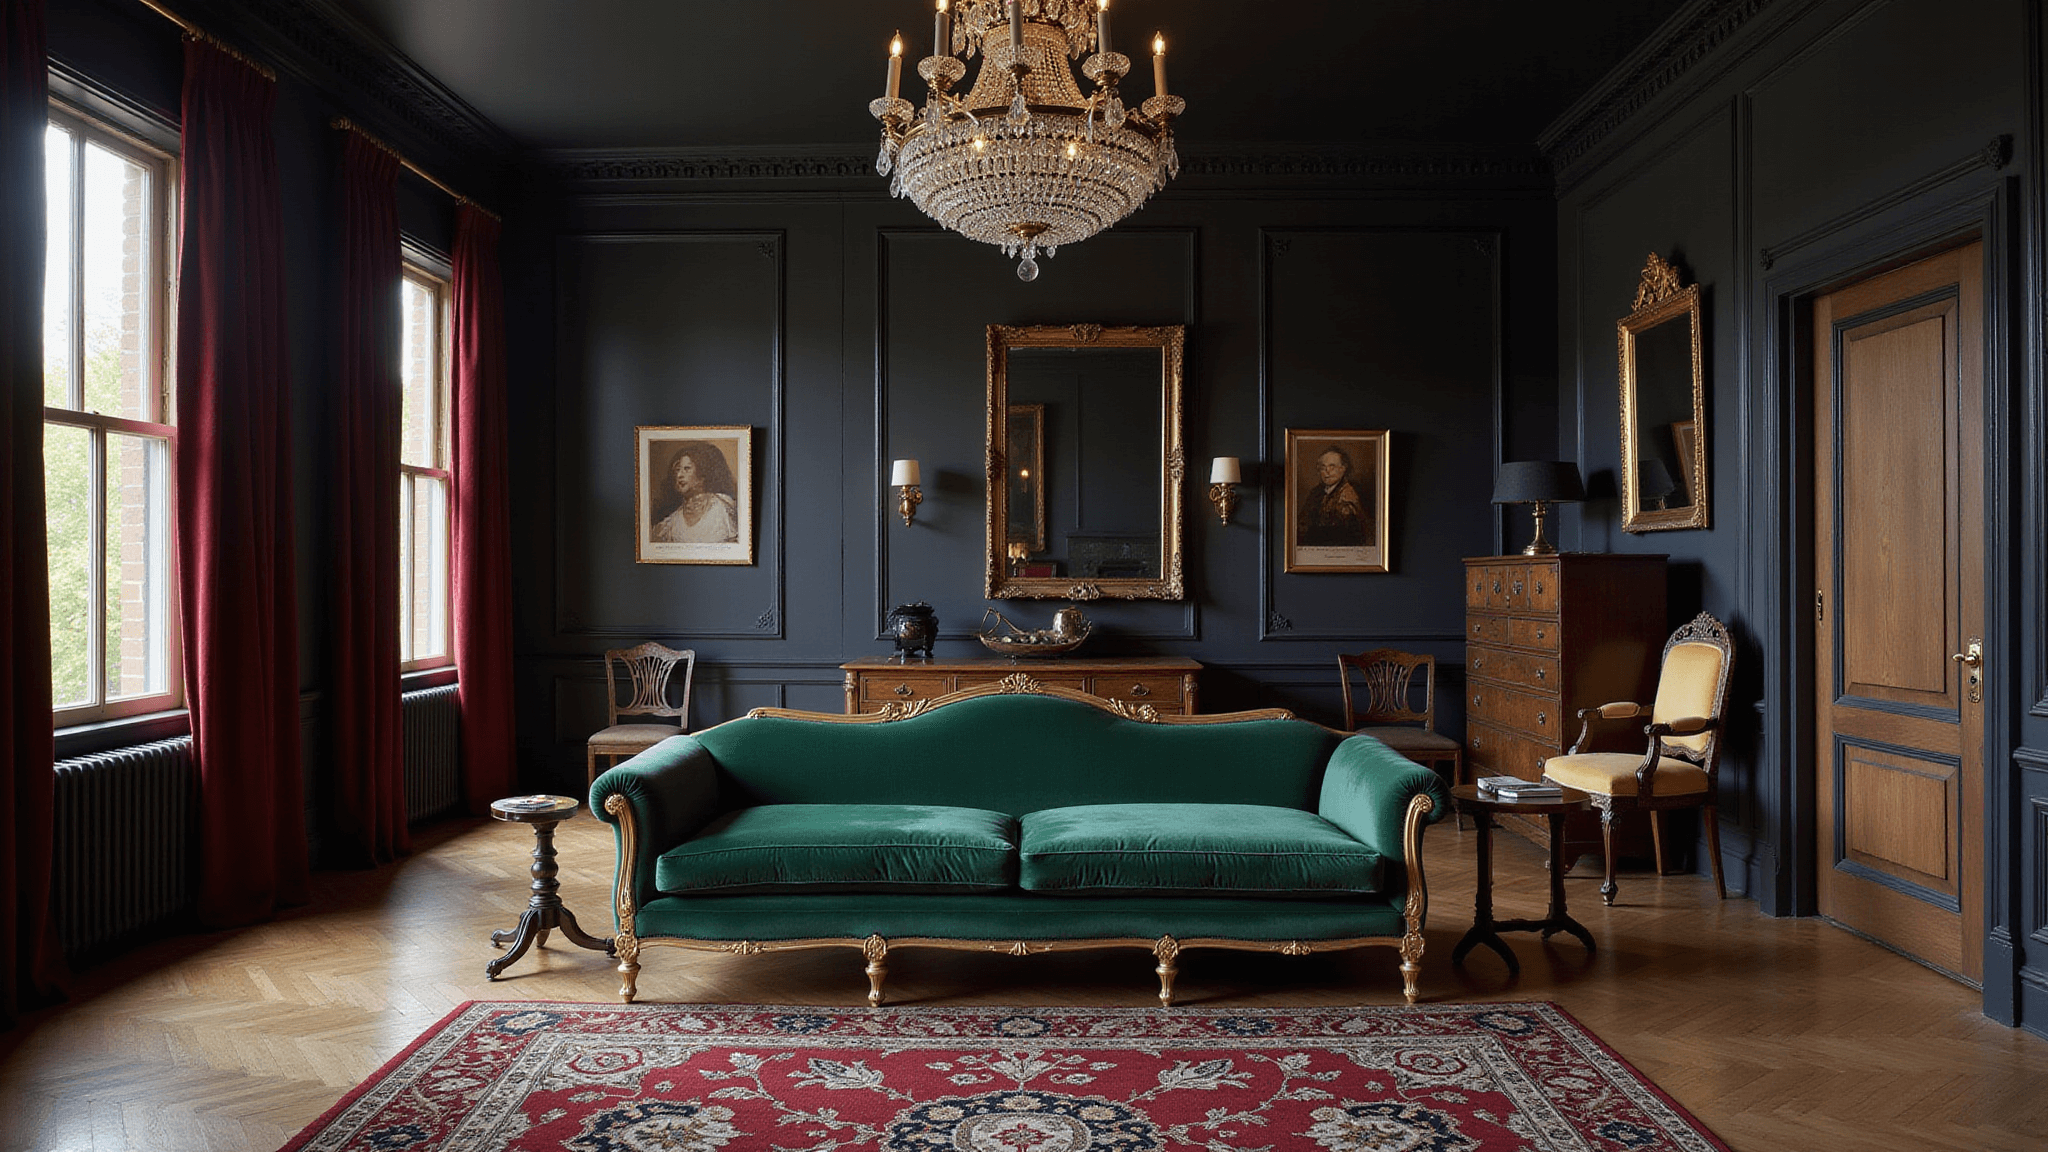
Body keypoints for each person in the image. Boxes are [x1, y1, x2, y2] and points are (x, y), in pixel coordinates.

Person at [652, 441, 739, 544]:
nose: (679, 475)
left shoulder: (723, 508)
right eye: (677, 470)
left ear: (702, 474)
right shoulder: (672, 523)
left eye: (687, 469)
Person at [1299, 447, 1371, 547]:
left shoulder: (1348, 495)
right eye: (1323, 467)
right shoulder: (1316, 493)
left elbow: (1342, 534)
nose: (1327, 471)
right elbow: (1303, 522)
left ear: (1343, 469)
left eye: (1332, 467)